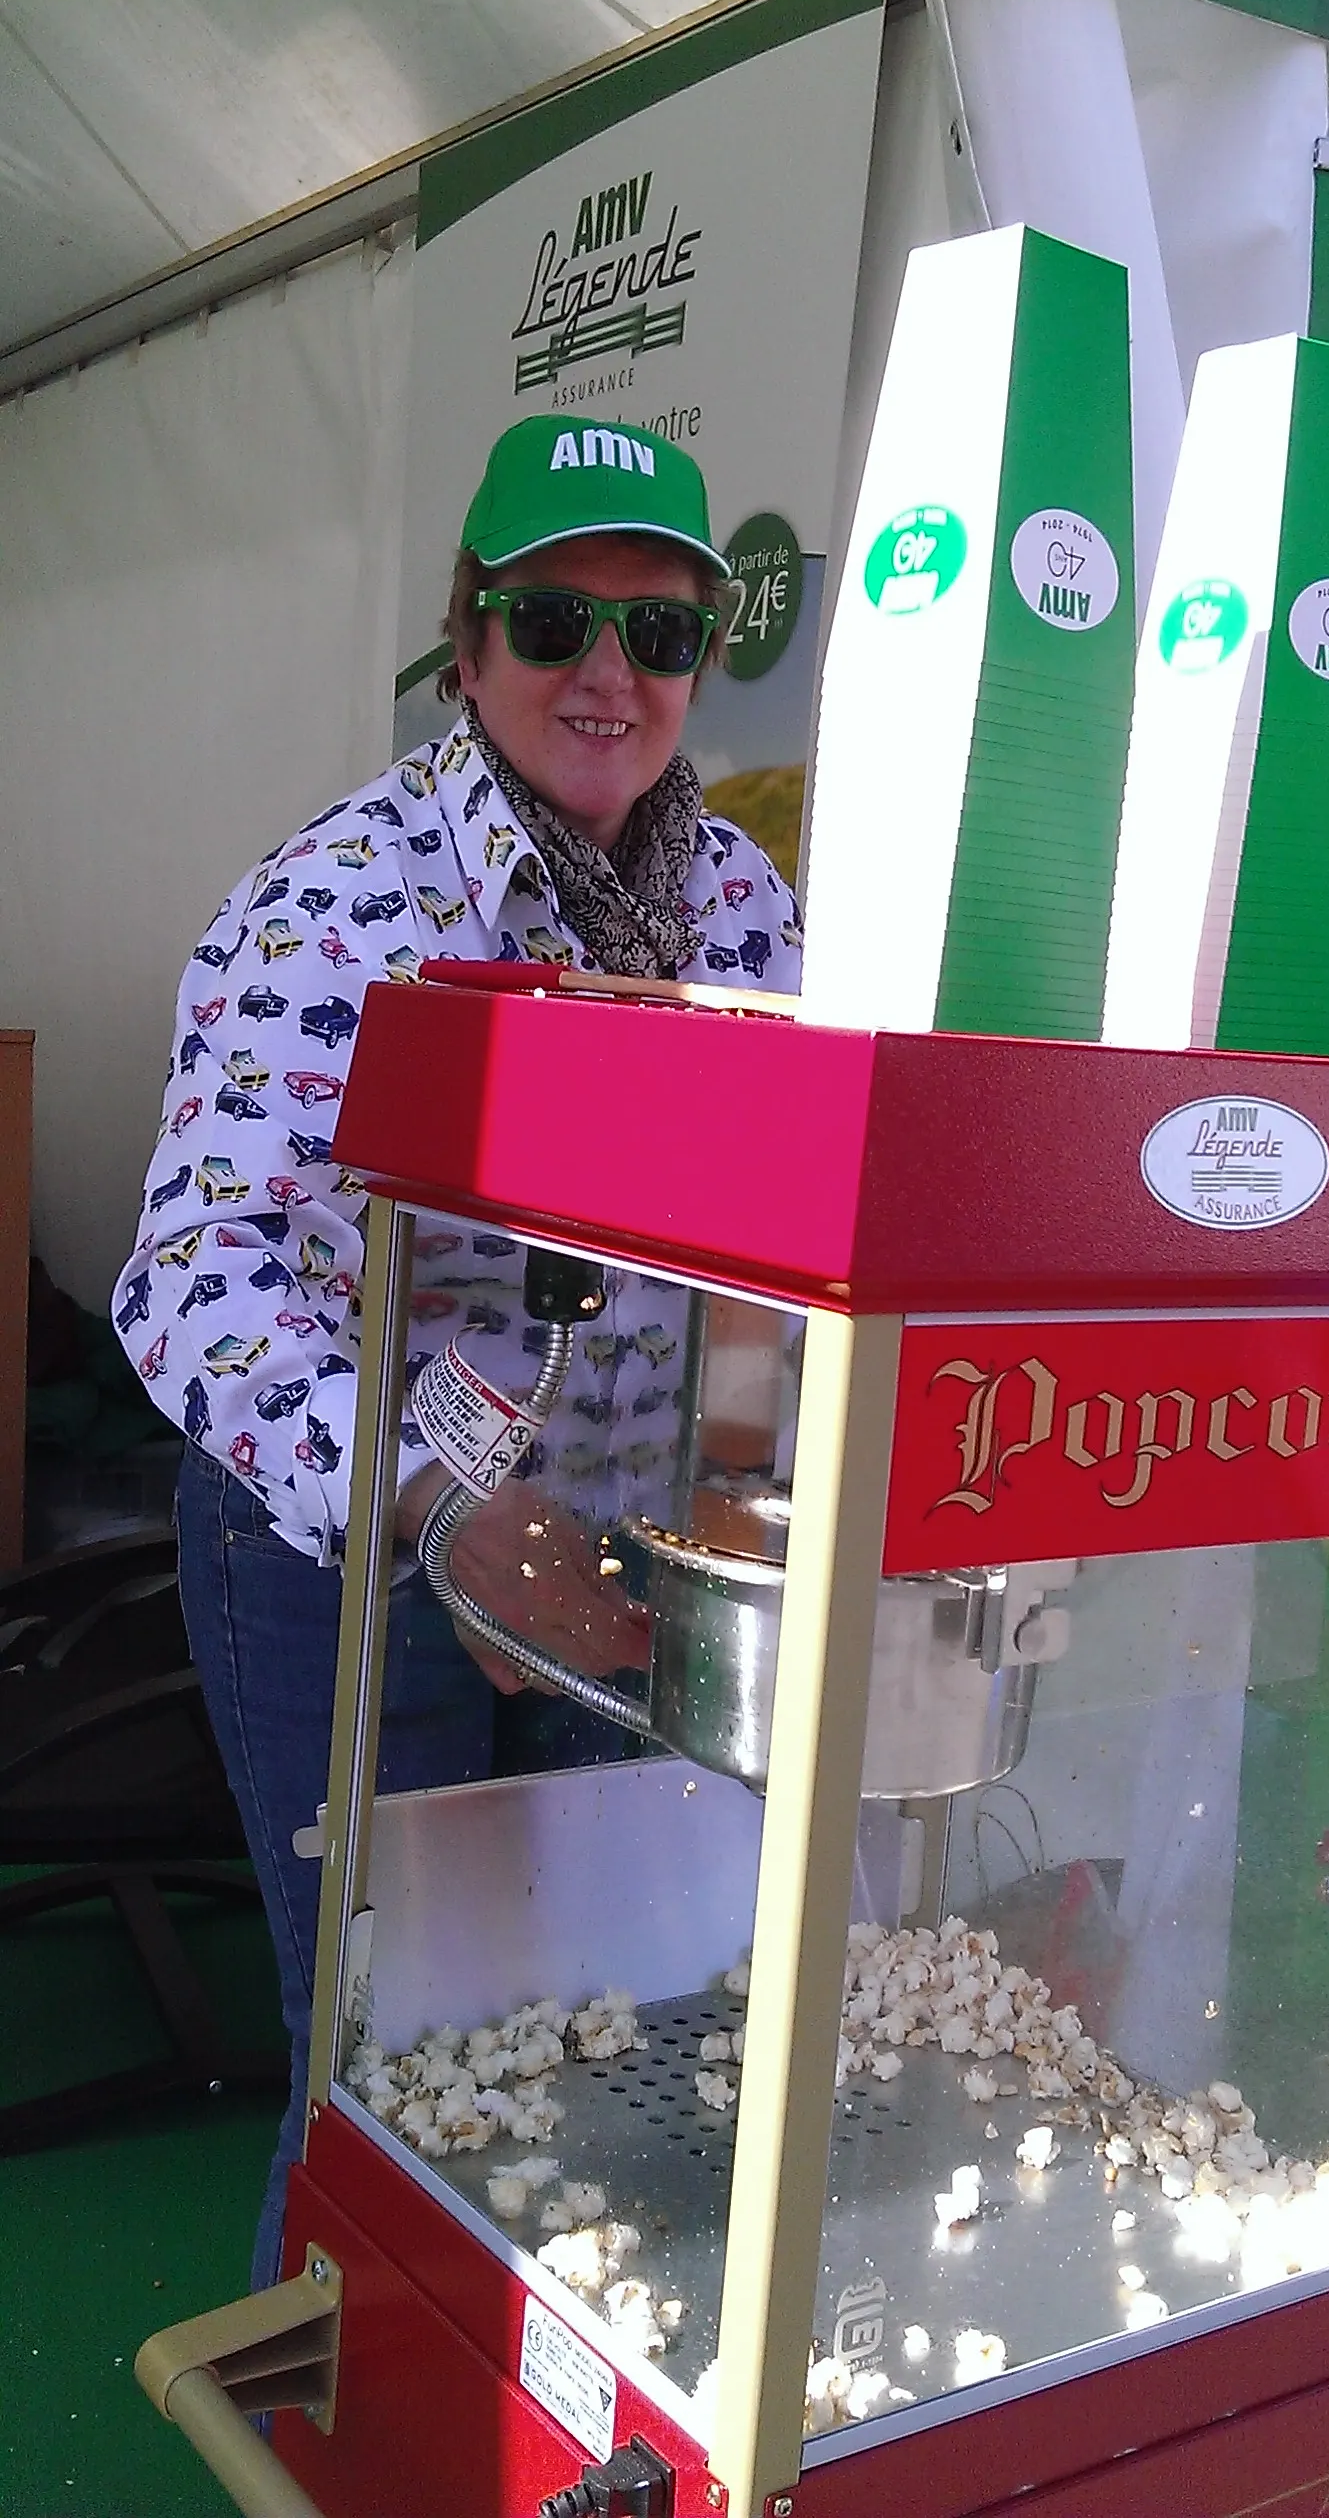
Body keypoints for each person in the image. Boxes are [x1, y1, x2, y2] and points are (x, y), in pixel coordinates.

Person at [113, 416, 802, 2285]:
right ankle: (329, 2412)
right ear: (469, 634)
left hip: (618, 1546)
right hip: (346, 1551)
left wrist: (758, 1474)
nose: (610, 675)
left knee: (596, 2027)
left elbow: (778, 1235)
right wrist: (432, 1504)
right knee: (383, 2061)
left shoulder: (741, 907)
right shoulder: (337, 899)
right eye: (558, 619)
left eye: (663, 632)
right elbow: (192, 1273)